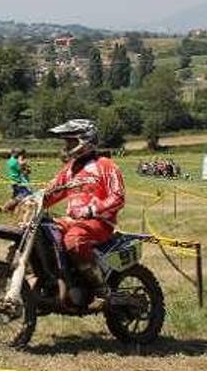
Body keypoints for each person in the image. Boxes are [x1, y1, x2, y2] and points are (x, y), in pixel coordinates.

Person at [39, 119, 125, 310]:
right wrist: (29, 199)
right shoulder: (70, 169)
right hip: (73, 221)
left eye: (70, 142)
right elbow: (52, 192)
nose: (67, 146)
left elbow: (118, 197)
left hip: (100, 223)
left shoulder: (106, 165)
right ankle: (55, 281)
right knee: (43, 230)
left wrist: (92, 210)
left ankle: (100, 290)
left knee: (74, 239)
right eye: (66, 142)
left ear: (85, 140)